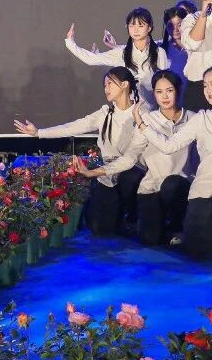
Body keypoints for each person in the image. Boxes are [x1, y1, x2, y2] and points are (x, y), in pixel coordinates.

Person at [132, 64, 212, 260]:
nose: (208, 90)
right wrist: (142, 125)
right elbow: (169, 146)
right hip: (204, 188)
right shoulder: (201, 119)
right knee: (196, 249)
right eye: (205, 85)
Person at [13, 67, 145, 236]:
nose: (106, 89)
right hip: (107, 175)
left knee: (129, 178)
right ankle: (116, 213)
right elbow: (73, 126)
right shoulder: (104, 114)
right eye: (104, 85)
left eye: (110, 84)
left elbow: (131, 158)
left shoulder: (141, 114)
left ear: (125, 84)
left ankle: (134, 215)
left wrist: (95, 172)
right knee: (99, 227)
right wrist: (39, 132)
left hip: (133, 172)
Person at [83, 70, 195, 247]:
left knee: (173, 183)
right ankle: (154, 222)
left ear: (178, 90)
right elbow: (130, 156)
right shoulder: (148, 119)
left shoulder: (193, 118)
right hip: (152, 186)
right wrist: (96, 172)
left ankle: (177, 225)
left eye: (169, 90)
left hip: (180, 185)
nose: (164, 96)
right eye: (159, 92)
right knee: (150, 239)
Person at [65, 9, 168, 110]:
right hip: (130, 111)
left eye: (141, 25)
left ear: (149, 27)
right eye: (132, 25)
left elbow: (165, 83)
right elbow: (91, 59)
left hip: (154, 111)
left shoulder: (159, 53)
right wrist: (70, 42)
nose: (136, 30)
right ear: (127, 27)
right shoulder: (122, 52)